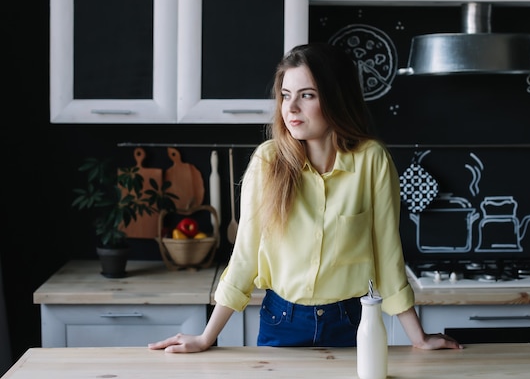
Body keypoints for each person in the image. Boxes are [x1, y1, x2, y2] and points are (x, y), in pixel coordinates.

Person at [148, 43, 462, 352]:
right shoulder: (267, 162)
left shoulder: (372, 161)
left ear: (336, 99)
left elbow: (388, 255)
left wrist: (417, 338)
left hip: (351, 322)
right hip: (281, 321)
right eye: (285, 96)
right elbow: (244, 256)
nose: (291, 108)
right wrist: (205, 338)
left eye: (306, 95)